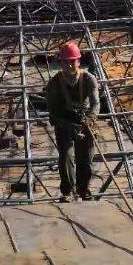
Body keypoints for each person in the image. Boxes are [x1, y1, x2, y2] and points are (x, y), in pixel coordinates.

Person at [45, 42, 100, 201]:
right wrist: (64, 124)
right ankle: (68, 191)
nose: (69, 65)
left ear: (78, 61)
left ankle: (84, 190)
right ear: (60, 63)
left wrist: (89, 119)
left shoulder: (89, 79)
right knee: (66, 157)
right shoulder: (55, 83)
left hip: (84, 121)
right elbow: (53, 110)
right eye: (65, 62)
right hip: (64, 122)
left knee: (86, 159)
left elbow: (96, 103)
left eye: (72, 61)